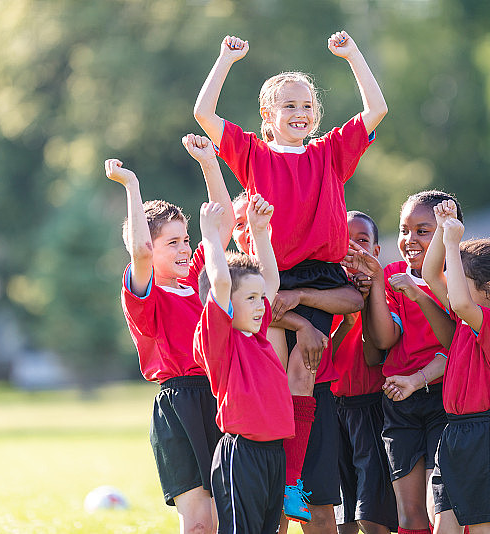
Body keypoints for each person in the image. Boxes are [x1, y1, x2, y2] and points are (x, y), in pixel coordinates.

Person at [194, 30, 387, 524]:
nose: (299, 114)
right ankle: (275, 480)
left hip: (320, 276)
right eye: (288, 107)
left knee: (303, 369)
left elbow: (376, 109)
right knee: (273, 374)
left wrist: (351, 55)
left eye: (306, 106)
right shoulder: (254, 154)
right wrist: (225, 59)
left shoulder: (329, 154)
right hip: (269, 270)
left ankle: (292, 481)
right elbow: (204, 114)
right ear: (268, 116)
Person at [104, 134, 234, 534]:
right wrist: (132, 185)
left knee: (230, 518)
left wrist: (209, 163)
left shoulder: (197, 278)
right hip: (179, 405)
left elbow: (224, 220)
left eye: (186, 240)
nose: (184, 249)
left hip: (221, 397)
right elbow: (141, 250)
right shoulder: (144, 294)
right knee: (198, 523)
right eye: (172, 242)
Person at [231, 193, 365, 533]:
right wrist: (302, 324)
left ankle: (293, 484)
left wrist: (302, 298)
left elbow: (352, 299)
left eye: (255, 221)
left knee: (319, 507)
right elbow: (252, 312)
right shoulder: (235, 274)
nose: (248, 230)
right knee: (268, 510)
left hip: (313, 398)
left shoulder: (307, 264)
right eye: (239, 224)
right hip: (259, 403)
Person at [345, 190, 460, 534]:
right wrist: (379, 281)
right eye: (405, 230)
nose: (410, 240)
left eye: (423, 231)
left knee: (443, 511)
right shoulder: (393, 273)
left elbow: (457, 344)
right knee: (410, 517)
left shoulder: (458, 276)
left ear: (446, 232)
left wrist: (419, 293)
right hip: (400, 404)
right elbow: (382, 340)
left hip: (446, 401)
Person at [420, 200, 490, 534]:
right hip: (456, 431)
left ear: (489, 289)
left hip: (486, 432)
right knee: (443, 525)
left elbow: (462, 300)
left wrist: (453, 242)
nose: (453, 288)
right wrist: (443, 228)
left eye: (460, 280)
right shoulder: (466, 319)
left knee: (483, 527)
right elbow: (429, 274)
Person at [193, 195, 294, 534]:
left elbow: (272, 282)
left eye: (258, 299)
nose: (260, 306)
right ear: (225, 307)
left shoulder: (257, 336)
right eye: (250, 299)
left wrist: (260, 232)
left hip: (272, 454)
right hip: (242, 454)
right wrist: (209, 235)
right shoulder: (220, 341)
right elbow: (221, 283)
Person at [331, 211, 399, 534]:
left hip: (370, 405)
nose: (353, 248)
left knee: (372, 514)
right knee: (342, 515)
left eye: (362, 241)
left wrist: (368, 297)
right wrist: (346, 313)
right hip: (331, 408)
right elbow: (318, 355)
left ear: (375, 250)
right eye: (346, 241)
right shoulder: (326, 287)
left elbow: (375, 355)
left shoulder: (382, 294)